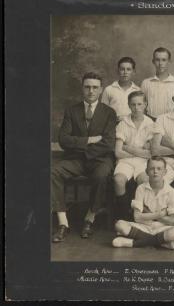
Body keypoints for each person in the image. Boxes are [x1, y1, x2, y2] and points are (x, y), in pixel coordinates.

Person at [51, 72, 117, 242]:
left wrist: (84, 149)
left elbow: (109, 143)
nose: (91, 91)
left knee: (101, 175)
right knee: (53, 171)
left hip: (100, 159)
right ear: (82, 88)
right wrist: (89, 140)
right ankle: (63, 222)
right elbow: (64, 139)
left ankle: (90, 218)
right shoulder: (72, 111)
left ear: (101, 90)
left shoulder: (109, 112)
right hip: (75, 160)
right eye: (87, 87)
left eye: (95, 87)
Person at [112, 156, 174, 249]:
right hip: (143, 226)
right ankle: (160, 242)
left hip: (161, 228)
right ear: (146, 171)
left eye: (159, 169)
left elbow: (172, 220)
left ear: (165, 172)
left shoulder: (172, 192)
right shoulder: (141, 189)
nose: (155, 171)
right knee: (119, 224)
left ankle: (133, 243)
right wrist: (161, 214)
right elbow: (137, 217)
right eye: (152, 168)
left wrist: (147, 214)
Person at [113, 91, 157, 220]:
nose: (136, 108)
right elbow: (117, 152)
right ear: (128, 105)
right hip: (124, 161)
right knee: (118, 180)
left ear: (145, 105)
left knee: (145, 180)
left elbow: (150, 153)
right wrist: (138, 151)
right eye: (133, 104)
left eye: (139, 104)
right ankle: (123, 214)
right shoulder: (122, 124)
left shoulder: (151, 124)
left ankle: (142, 214)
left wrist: (127, 147)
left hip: (142, 163)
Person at [141, 47, 174, 119]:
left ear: (169, 61)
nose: (160, 63)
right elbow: (141, 106)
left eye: (164, 60)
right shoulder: (146, 83)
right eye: (157, 60)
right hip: (152, 121)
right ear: (153, 61)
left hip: (172, 121)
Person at [101, 57, 141, 122]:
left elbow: (140, 112)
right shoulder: (109, 89)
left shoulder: (138, 91)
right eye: (122, 69)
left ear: (133, 72)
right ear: (118, 71)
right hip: (113, 126)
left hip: (132, 126)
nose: (125, 72)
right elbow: (103, 112)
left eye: (128, 69)